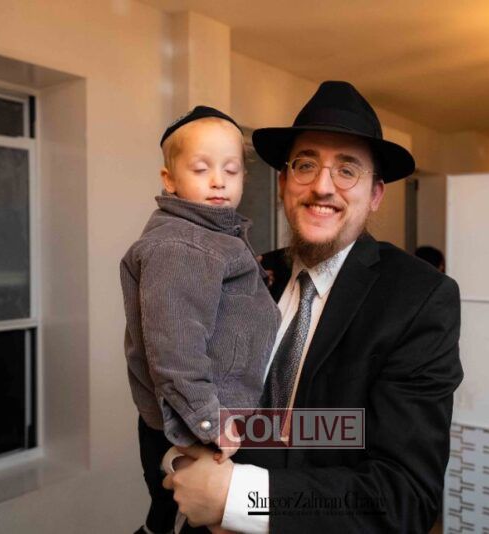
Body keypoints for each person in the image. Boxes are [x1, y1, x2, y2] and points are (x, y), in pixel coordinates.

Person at [164, 81, 464, 533]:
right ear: (283, 183)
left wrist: (237, 497)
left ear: (376, 194)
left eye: (347, 170)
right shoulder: (246, 273)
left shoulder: (418, 300)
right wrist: (180, 459)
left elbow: (404, 497)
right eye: (305, 165)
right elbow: (176, 377)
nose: (322, 187)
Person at [120, 106, 280, 534]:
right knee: (183, 521)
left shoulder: (211, 234)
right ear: (169, 179)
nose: (218, 180)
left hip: (199, 419)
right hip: (194, 424)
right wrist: (211, 421)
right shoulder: (183, 246)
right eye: (201, 168)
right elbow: (175, 349)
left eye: (231, 169)